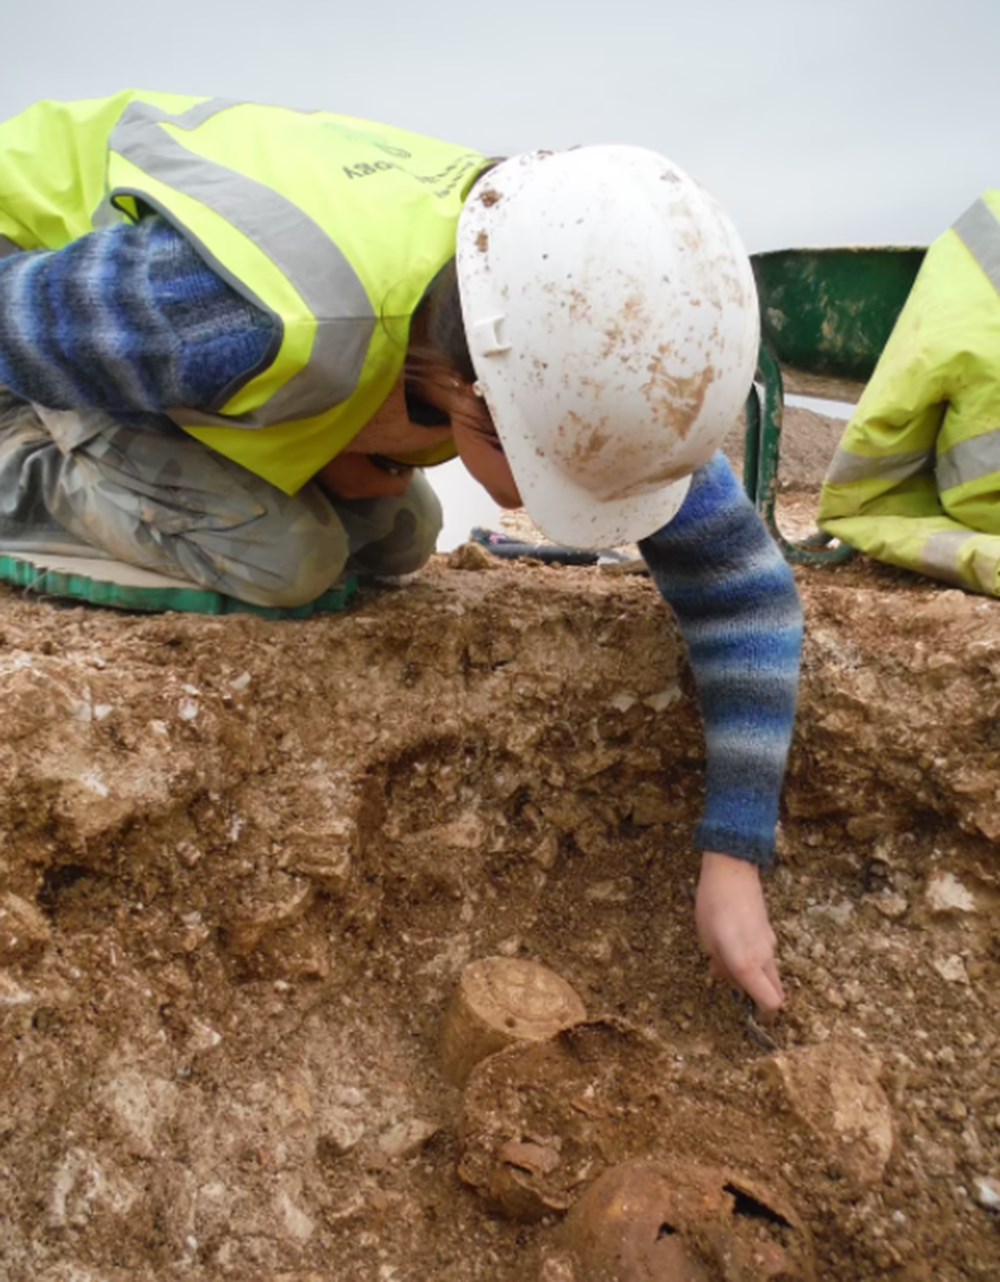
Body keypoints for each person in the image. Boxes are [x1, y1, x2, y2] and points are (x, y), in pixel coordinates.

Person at [0, 90, 802, 1017]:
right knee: (285, 553)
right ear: (474, 392)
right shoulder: (226, 319)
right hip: (36, 298)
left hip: (219, 351)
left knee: (398, 532)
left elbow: (745, 595)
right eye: (547, 477)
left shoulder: (562, 331)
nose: (560, 504)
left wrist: (732, 854)